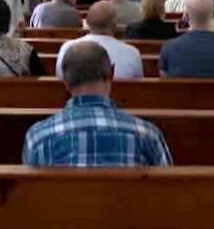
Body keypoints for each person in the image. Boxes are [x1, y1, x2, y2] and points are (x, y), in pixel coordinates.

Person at [23, 41, 173, 167]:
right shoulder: (148, 134)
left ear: (65, 81)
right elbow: (168, 192)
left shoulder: (38, 137)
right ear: (111, 73)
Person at [56, 0, 143, 79]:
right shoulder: (131, 53)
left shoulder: (67, 48)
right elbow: (139, 85)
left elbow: (60, 78)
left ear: (87, 23)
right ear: (114, 25)